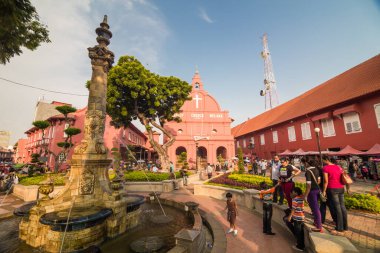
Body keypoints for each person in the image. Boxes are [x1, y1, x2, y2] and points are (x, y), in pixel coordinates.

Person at [322, 155, 348, 235]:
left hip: (332, 189)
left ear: (326, 160)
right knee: (342, 207)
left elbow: (326, 181)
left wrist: (324, 191)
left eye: (323, 160)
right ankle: (345, 227)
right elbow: (344, 176)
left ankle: (339, 229)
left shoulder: (325, 168)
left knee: (337, 208)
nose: (322, 161)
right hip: (341, 188)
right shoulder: (338, 167)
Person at [303, 158, 322, 232]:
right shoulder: (317, 169)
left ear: (308, 163)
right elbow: (319, 181)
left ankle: (319, 227)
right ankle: (316, 222)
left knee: (315, 209)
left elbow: (308, 186)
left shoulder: (308, 171)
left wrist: (305, 195)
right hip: (318, 190)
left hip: (312, 192)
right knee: (316, 207)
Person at [287, 187, 305, 252]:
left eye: (293, 192)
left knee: (298, 233)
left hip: (297, 218)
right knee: (301, 233)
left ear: (296, 192)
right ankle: (301, 245)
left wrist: (290, 217)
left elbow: (293, 209)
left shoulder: (295, 199)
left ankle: (300, 247)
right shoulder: (301, 197)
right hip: (302, 217)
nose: (292, 193)